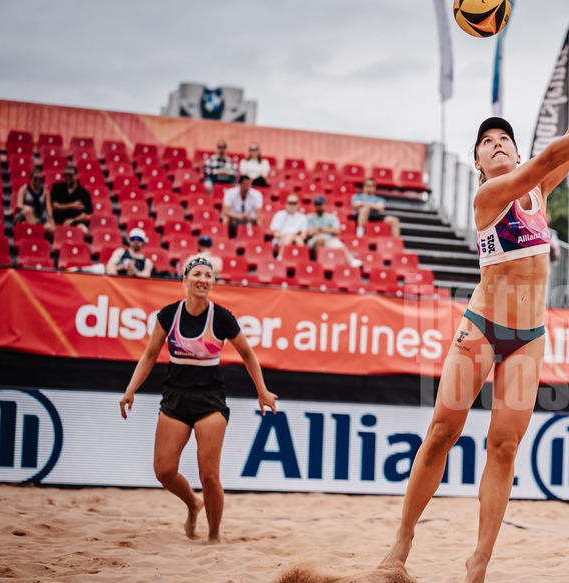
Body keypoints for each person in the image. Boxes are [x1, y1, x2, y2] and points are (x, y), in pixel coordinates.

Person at [379, 68, 569, 583]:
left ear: (516, 153)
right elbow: (554, 154)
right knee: (442, 433)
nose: (497, 144)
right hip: (481, 328)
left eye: (505, 139)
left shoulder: (538, 189)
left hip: (527, 338)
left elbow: (563, 149)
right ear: (479, 164)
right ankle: (402, 540)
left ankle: (478, 566)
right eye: (487, 142)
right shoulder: (490, 197)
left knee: (503, 447)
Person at [119, 257, 277, 544]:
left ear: (213, 282)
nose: (203, 279)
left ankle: (214, 536)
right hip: (175, 399)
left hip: (210, 401)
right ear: (185, 280)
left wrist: (262, 391)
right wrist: (130, 389)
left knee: (209, 476)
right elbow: (150, 355)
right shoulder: (169, 314)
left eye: (208, 275)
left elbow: (247, 354)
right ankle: (193, 504)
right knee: (164, 471)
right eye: (197, 274)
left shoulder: (222, 317)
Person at [306, 195, 361, 266]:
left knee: (341, 245)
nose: (319, 207)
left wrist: (320, 229)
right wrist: (328, 229)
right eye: (317, 205)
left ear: (325, 205)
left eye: (320, 204)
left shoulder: (331, 217)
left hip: (330, 239)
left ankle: (351, 261)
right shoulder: (309, 218)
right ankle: (318, 264)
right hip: (314, 240)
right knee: (320, 239)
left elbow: (337, 231)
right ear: (314, 206)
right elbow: (309, 233)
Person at [49, 165, 93, 235]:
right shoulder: (57, 187)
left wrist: (72, 220)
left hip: (75, 222)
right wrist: (72, 205)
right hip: (57, 221)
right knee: (48, 228)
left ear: (76, 175)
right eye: (65, 175)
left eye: (70, 175)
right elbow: (54, 206)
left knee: (83, 230)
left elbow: (85, 214)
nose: (67, 177)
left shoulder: (84, 193)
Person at [13, 170, 54, 235]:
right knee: (28, 212)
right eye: (35, 179)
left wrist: (50, 219)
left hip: (38, 217)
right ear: (31, 179)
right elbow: (19, 205)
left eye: (40, 179)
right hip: (23, 215)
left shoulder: (46, 193)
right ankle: (36, 232)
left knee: (49, 226)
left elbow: (49, 209)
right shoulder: (24, 189)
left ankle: (37, 231)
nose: (37, 181)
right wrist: (26, 207)